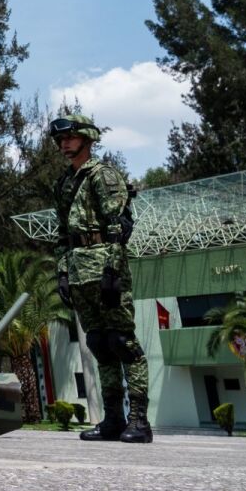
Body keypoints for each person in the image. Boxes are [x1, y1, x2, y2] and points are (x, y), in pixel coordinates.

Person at [50, 113, 151, 444]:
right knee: (100, 345)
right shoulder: (65, 182)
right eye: (61, 139)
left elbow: (119, 229)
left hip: (105, 267)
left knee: (123, 343)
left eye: (70, 137)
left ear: (87, 138)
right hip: (79, 271)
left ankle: (139, 421)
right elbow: (63, 233)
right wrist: (62, 271)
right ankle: (113, 420)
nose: (64, 143)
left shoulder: (103, 176)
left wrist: (113, 270)